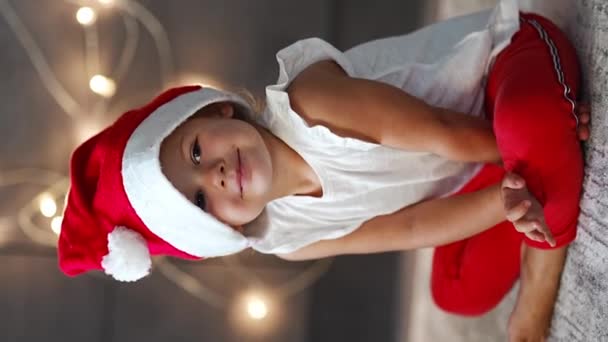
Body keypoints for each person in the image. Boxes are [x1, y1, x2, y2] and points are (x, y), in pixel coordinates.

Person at [57, 0, 591, 340]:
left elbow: (439, 129)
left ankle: (535, 291)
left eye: (195, 152)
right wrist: (504, 200)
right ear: (227, 231)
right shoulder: (287, 238)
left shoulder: (313, 105)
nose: (215, 173)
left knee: (529, 127)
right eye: (200, 201)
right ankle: (543, 160)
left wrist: (521, 154)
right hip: (467, 165)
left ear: (214, 111)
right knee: (455, 294)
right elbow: (407, 226)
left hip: (497, 72)